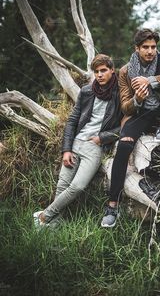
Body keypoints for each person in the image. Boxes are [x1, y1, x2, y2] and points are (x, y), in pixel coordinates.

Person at [101, 28, 160, 228]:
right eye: (145, 48)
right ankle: (113, 205)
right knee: (123, 147)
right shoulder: (125, 71)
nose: (150, 51)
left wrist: (151, 81)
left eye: (153, 47)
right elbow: (125, 106)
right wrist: (137, 99)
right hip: (140, 114)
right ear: (137, 48)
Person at [34, 54, 121, 228]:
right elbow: (72, 120)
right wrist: (66, 149)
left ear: (112, 70)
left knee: (77, 186)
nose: (100, 75)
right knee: (62, 185)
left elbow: (124, 127)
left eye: (103, 70)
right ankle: (53, 225)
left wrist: (102, 138)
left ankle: (44, 216)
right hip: (76, 143)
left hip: (95, 146)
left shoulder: (120, 94)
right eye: (96, 71)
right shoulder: (87, 91)